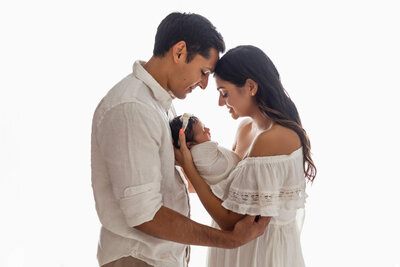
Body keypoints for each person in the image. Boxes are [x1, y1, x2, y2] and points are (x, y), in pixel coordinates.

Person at [91, 13, 269, 267]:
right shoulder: (133, 108)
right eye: (204, 71)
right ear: (179, 51)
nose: (205, 84)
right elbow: (145, 214)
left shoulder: (158, 105)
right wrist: (228, 239)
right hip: (138, 259)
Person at [175, 45, 317, 267]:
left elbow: (229, 222)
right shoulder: (245, 129)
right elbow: (223, 190)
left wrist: (188, 166)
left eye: (224, 93)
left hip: (261, 254)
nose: (221, 103)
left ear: (250, 86)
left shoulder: (273, 138)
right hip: (237, 250)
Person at [170, 113, 240, 185]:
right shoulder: (200, 154)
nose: (208, 129)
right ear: (190, 144)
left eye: (204, 126)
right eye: (203, 131)